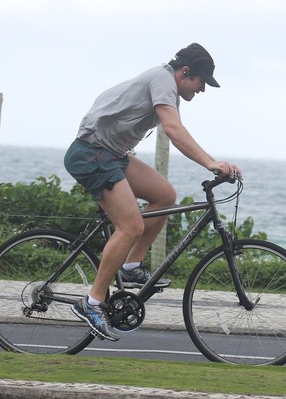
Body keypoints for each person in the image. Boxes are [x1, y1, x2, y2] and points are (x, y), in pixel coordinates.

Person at [64, 43, 241, 341]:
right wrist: (211, 163)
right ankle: (92, 303)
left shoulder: (166, 87)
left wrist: (213, 163)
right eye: (201, 82)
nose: (203, 90)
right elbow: (173, 130)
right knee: (131, 225)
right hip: (93, 153)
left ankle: (131, 266)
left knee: (165, 196)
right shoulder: (162, 80)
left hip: (110, 154)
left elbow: (168, 125)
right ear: (185, 73)